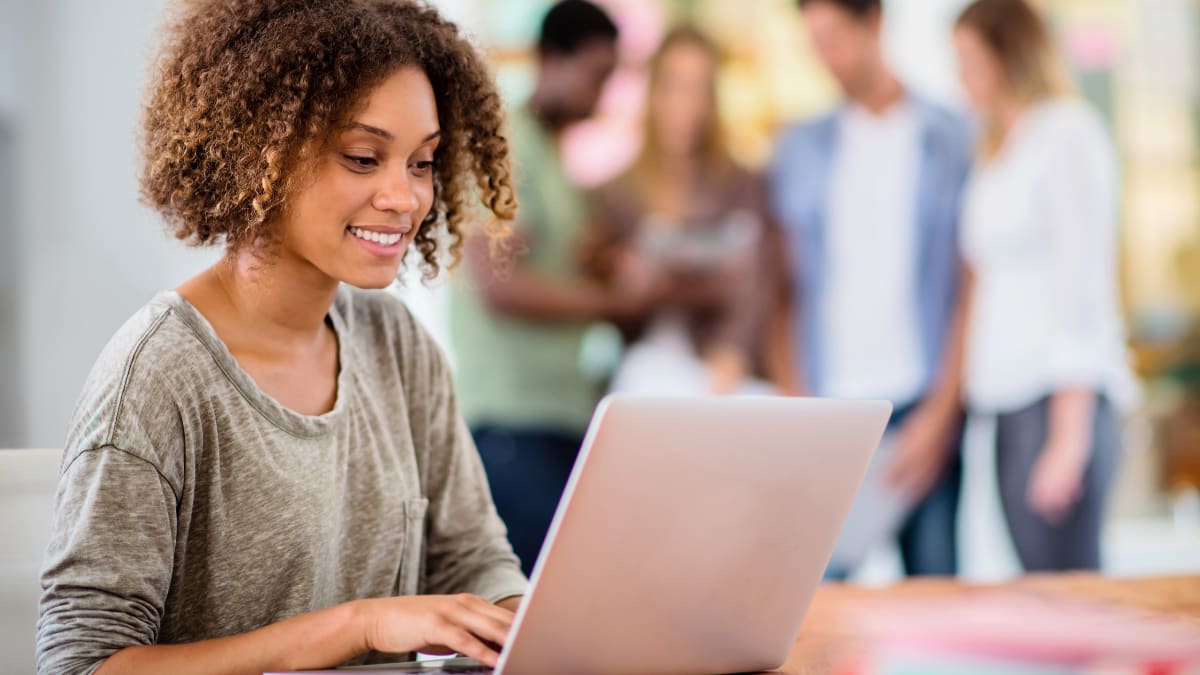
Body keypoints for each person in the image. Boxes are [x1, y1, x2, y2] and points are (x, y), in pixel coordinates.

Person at [36, 2, 528, 673]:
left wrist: (535, 625)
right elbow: (82, 663)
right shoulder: (159, 375)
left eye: (422, 162)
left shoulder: (398, 345)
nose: (406, 196)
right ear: (257, 151)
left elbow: (474, 561)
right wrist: (360, 624)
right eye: (363, 157)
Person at [768, 0, 974, 577]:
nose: (825, 58)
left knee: (935, 602)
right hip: (831, 411)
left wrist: (940, 415)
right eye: (815, 43)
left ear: (875, 23)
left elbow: (967, 288)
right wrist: (798, 405)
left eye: (834, 38)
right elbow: (783, 290)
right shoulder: (798, 147)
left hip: (920, 405)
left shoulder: (952, 138)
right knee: (817, 606)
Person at [449, 0, 649, 576]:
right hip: (515, 424)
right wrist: (615, 303)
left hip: (561, 420)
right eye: (597, 75)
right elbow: (501, 285)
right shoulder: (504, 146)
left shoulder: (554, 159)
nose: (603, 94)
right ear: (551, 60)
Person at [953, 0, 1134, 571]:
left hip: (1056, 404)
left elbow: (1083, 286)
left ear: (1012, 58)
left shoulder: (1067, 135)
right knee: (1036, 593)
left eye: (971, 62)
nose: (962, 80)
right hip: (1008, 405)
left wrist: (1068, 436)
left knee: (1068, 600)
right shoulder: (997, 149)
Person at [587, 25, 785, 397]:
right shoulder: (615, 195)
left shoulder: (744, 184)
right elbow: (610, 303)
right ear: (654, 91)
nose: (687, 103)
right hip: (644, 374)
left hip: (724, 372)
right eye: (675, 85)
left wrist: (733, 353)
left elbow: (760, 285)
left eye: (700, 89)